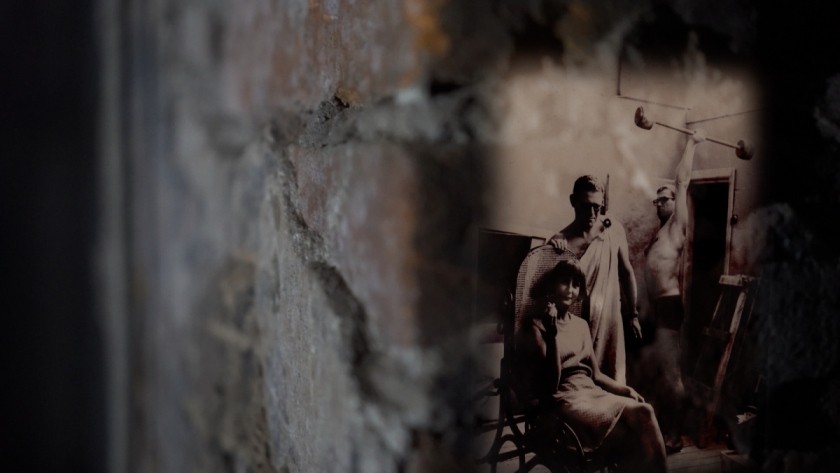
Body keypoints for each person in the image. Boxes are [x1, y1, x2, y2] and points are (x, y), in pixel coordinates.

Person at [514, 259, 667, 473]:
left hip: (591, 392)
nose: (570, 289)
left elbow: (596, 375)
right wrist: (552, 335)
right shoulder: (536, 328)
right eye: (564, 282)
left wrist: (626, 390)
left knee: (644, 411)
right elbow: (550, 385)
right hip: (564, 400)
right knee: (632, 429)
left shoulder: (581, 325)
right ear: (551, 286)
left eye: (576, 284)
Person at [644, 129, 706, 453]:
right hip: (656, 308)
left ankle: (675, 436)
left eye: (665, 198)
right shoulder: (659, 233)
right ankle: (659, 430)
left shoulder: (677, 225)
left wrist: (691, 143)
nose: (660, 203)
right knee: (658, 376)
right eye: (657, 199)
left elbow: (682, 181)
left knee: (672, 377)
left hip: (668, 306)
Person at [547, 175, 640, 385]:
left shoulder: (614, 230)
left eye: (597, 207)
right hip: (577, 325)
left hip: (609, 321)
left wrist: (633, 314)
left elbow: (626, 273)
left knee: (613, 380)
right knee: (580, 382)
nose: (591, 214)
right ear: (573, 201)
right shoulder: (560, 242)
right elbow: (548, 292)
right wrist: (553, 251)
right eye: (585, 206)